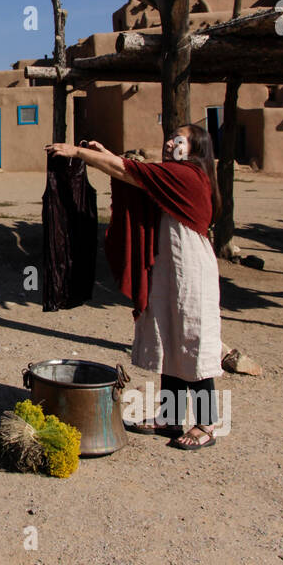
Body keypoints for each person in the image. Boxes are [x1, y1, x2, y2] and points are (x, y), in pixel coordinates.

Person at [45, 125, 223, 450]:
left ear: (195, 150)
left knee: (192, 342)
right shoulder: (174, 174)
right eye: (170, 138)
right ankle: (170, 417)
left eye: (178, 140)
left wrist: (81, 153)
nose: (170, 143)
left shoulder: (188, 176)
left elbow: (130, 172)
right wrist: (105, 154)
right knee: (170, 338)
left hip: (192, 271)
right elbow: (135, 173)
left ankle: (208, 423)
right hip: (170, 265)